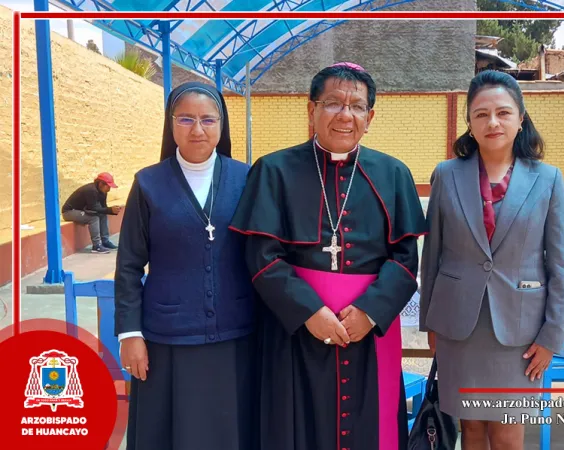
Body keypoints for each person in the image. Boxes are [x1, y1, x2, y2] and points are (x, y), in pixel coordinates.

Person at [229, 62, 427, 450]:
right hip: (296, 330)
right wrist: (308, 312)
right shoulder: (274, 170)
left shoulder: (392, 173)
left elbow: (406, 257)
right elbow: (262, 255)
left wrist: (369, 312)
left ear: (370, 117)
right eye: (333, 103)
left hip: (368, 331)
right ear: (311, 110)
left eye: (356, 106)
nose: (345, 115)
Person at [419, 70, 564, 450]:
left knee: (507, 433)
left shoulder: (548, 180)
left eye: (503, 113)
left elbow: (561, 265)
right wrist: (431, 323)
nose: (492, 122)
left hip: (520, 332)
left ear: (521, 119)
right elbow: (432, 255)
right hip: (459, 328)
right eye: (481, 114)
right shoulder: (447, 175)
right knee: (470, 430)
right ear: (469, 123)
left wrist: (551, 337)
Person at [113, 82, 257, 450]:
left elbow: (264, 256)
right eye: (186, 119)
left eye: (208, 119)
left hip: (235, 335)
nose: (197, 129)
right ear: (171, 124)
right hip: (167, 339)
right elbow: (129, 264)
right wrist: (130, 334)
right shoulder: (148, 183)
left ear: (221, 125)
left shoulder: (247, 179)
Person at [61, 172, 122, 253]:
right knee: (94, 218)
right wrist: (110, 210)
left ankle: (105, 241)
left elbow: (102, 208)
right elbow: (94, 208)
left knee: (103, 215)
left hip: (81, 210)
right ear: (101, 184)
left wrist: (112, 210)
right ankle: (96, 246)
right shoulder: (91, 190)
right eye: (108, 186)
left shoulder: (103, 192)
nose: (109, 189)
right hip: (69, 212)